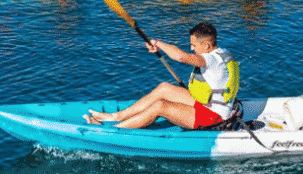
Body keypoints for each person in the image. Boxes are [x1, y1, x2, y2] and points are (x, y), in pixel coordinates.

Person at [85, 22, 240, 130]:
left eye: (194, 45)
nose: (191, 48)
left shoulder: (211, 59)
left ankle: (114, 130)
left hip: (213, 116)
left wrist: (157, 43)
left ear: (206, 45)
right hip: (209, 104)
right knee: (164, 88)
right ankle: (114, 116)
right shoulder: (222, 52)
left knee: (160, 106)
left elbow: (180, 57)